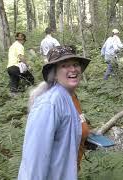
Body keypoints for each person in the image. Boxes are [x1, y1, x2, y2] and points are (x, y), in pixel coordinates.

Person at [18, 46, 91, 179]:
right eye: (65, 65)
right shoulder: (49, 105)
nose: (73, 69)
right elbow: (34, 158)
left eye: (75, 64)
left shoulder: (71, 97)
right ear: (55, 73)